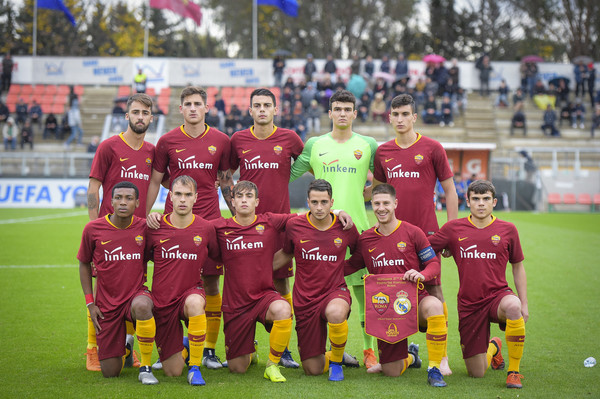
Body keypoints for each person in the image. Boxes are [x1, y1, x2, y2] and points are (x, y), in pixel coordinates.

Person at [290, 89, 379, 370]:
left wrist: (362, 198)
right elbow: (287, 173)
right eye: (337, 109)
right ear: (329, 113)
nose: (342, 113)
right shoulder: (315, 144)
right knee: (323, 294)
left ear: (355, 113)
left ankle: (368, 351)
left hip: (360, 230)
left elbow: (382, 179)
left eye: (347, 109)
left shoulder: (368, 144)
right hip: (322, 232)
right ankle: (332, 350)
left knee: (366, 297)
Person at [146, 86, 231, 370]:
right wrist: (144, 217)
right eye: (188, 104)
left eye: (198, 104)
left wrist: (236, 217)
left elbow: (226, 178)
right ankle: (172, 347)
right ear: (180, 109)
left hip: (209, 222)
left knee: (210, 283)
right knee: (171, 285)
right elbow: (156, 180)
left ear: (207, 108)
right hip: (174, 225)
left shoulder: (220, 140)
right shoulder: (167, 141)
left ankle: (207, 349)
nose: (193, 108)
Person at [372, 93, 458, 376]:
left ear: (414, 117)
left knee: (433, 288)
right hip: (391, 236)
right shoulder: (383, 152)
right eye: (395, 115)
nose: (399, 119)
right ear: (389, 118)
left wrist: (451, 232)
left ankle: (442, 356)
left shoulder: (432, 148)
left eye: (404, 114)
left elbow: (450, 191)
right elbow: (379, 195)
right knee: (389, 291)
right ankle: (397, 356)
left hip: (428, 234)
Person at [226, 88, 305, 368]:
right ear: (250, 110)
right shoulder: (238, 140)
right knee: (243, 280)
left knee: (282, 280)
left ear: (275, 110)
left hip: (280, 225)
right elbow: (226, 175)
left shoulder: (289, 138)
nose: (261, 109)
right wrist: (233, 205)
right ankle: (245, 338)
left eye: (266, 105)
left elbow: (307, 162)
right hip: (247, 226)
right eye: (256, 105)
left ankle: (281, 349)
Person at [428, 180, 528, 389]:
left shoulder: (508, 229)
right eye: (476, 199)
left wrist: (524, 304)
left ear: (494, 202)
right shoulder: (453, 229)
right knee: (477, 372)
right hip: (469, 304)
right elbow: (425, 249)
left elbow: (517, 267)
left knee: (513, 306)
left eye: (485, 199)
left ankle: (514, 371)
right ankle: (494, 347)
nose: (481, 204)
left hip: (498, 297)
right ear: (468, 201)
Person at [345, 183, 448, 387]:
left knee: (435, 306)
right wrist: (320, 266)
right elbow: (350, 266)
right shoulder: (366, 239)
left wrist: (421, 274)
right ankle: (411, 357)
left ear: (395, 204)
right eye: (376, 204)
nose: (381, 208)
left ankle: (435, 368)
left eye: (386, 203)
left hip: (414, 300)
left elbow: (433, 264)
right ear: (371, 205)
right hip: (385, 308)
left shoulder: (413, 232)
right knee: (391, 372)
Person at [85, 93, 155, 371]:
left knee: (134, 292)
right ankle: (93, 347)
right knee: (103, 291)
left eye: (145, 113)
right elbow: (93, 189)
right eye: (135, 112)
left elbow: (154, 188)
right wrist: (94, 229)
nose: (140, 117)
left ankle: (128, 348)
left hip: (137, 236)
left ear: (151, 118)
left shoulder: (152, 152)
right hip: (108, 234)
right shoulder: (109, 147)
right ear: (127, 116)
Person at [275, 179, 360, 381]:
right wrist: (258, 273)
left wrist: (339, 270)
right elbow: (286, 253)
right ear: (308, 202)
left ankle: (337, 363)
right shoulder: (295, 226)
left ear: (332, 202)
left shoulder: (345, 226)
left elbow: (360, 255)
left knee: (336, 312)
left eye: (324, 202)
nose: (319, 207)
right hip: (305, 299)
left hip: (334, 291)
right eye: (314, 202)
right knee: (312, 369)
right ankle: (336, 356)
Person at [211, 180, 294, 382]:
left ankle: (272, 365)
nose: (244, 200)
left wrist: (337, 212)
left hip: (263, 297)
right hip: (235, 304)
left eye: (249, 196)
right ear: (232, 201)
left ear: (257, 201)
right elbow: (192, 227)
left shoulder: (270, 222)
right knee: (237, 368)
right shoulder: (220, 227)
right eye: (239, 196)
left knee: (283, 309)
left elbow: (304, 220)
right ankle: (251, 350)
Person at [77, 181, 158, 384]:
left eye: (129, 198)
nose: (123, 202)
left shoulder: (144, 228)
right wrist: (90, 303)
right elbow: (84, 264)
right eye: (119, 198)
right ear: (110, 201)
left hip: (135, 297)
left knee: (142, 305)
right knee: (110, 372)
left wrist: (157, 216)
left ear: (137, 203)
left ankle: (146, 367)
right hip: (107, 305)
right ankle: (126, 349)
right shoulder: (93, 229)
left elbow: (164, 251)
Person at [146, 175, 221, 386]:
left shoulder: (206, 228)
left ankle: (196, 367)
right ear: (170, 196)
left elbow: (217, 256)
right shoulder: (155, 226)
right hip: (163, 302)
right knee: (172, 372)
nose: (182, 199)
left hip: (190, 293)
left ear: (196, 198)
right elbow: (142, 257)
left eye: (188, 195)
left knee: (196, 302)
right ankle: (186, 345)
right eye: (178, 194)